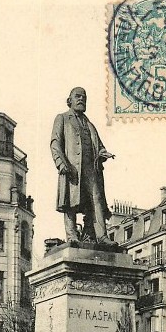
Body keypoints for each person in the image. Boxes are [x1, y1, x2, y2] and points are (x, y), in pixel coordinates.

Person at [50, 87, 115, 245]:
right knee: (70, 203)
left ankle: (101, 236)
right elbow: (55, 143)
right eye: (78, 96)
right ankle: (71, 235)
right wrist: (61, 163)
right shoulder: (62, 118)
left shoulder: (90, 124)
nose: (81, 99)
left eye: (84, 97)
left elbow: (99, 146)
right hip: (72, 169)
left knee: (96, 201)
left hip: (91, 171)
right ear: (70, 100)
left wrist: (103, 153)